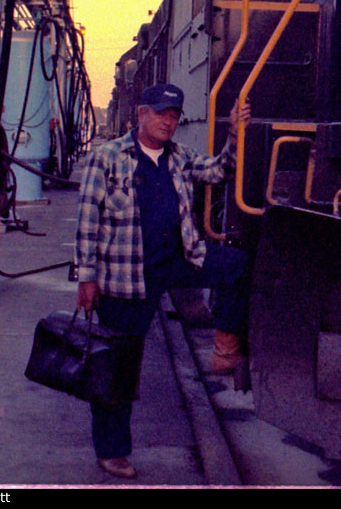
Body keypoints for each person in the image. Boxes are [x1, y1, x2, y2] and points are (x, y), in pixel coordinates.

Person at [72, 83, 251, 479]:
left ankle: (225, 350)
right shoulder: (107, 158)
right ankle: (112, 450)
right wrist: (87, 278)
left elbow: (220, 169)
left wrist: (235, 132)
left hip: (178, 260)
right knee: (117, 366)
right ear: (141, 114)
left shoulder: (180, 157)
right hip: (125, 276)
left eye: (174, 115)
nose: (169, 121)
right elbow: (88, 222)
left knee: (235, 264)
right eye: (161, 113)